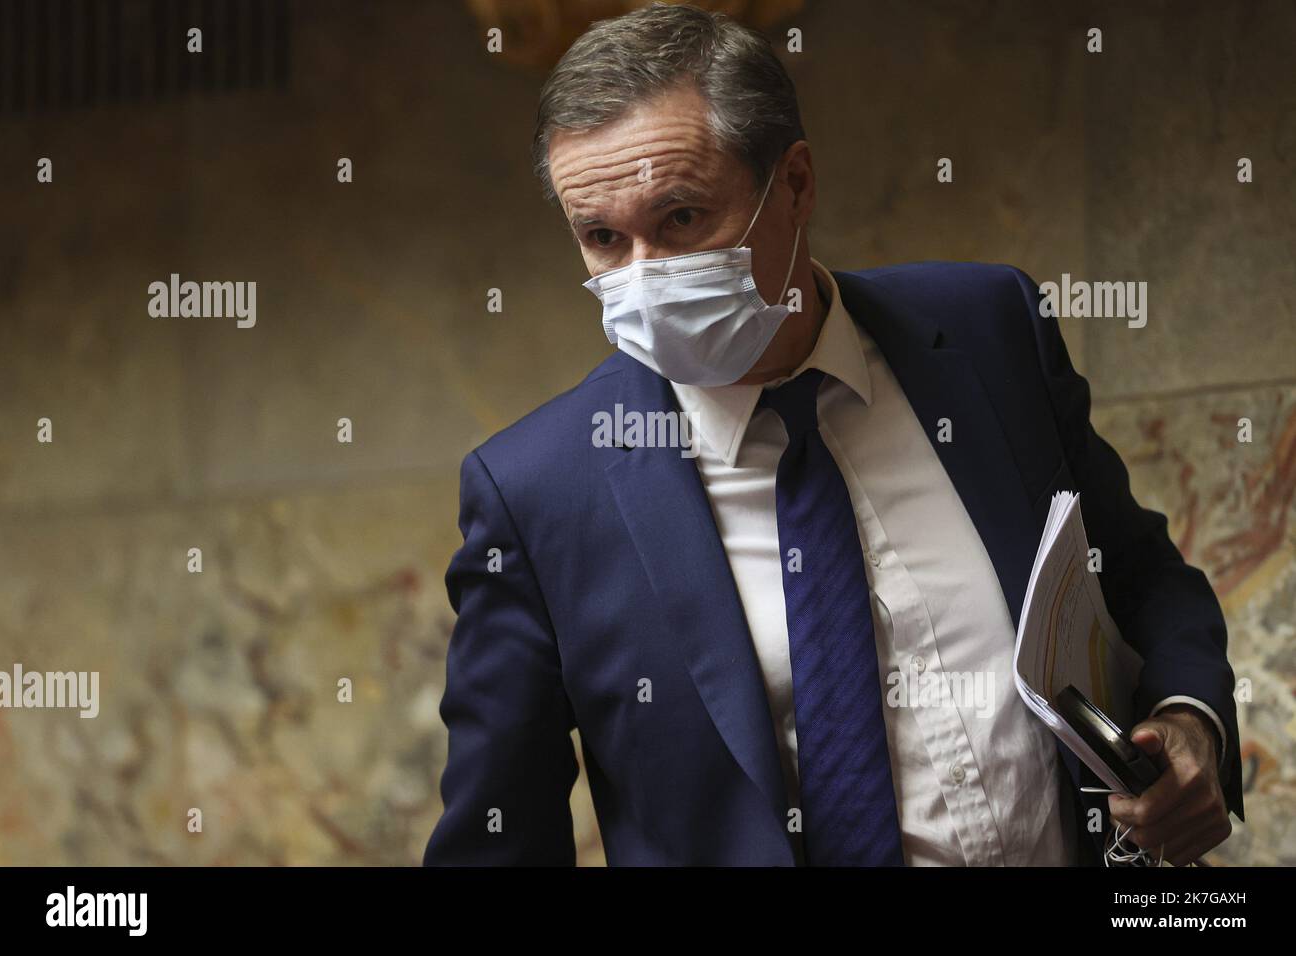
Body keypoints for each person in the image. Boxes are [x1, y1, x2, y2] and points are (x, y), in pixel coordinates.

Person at [423, 3, 1241, 866]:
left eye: (681, 220)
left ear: (798, 184)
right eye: (600, 237)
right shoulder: (541, 491)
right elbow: (496, 834)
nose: (643, 279)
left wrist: (1191, 720)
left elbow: (1140, 576)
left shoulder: (987, 336)